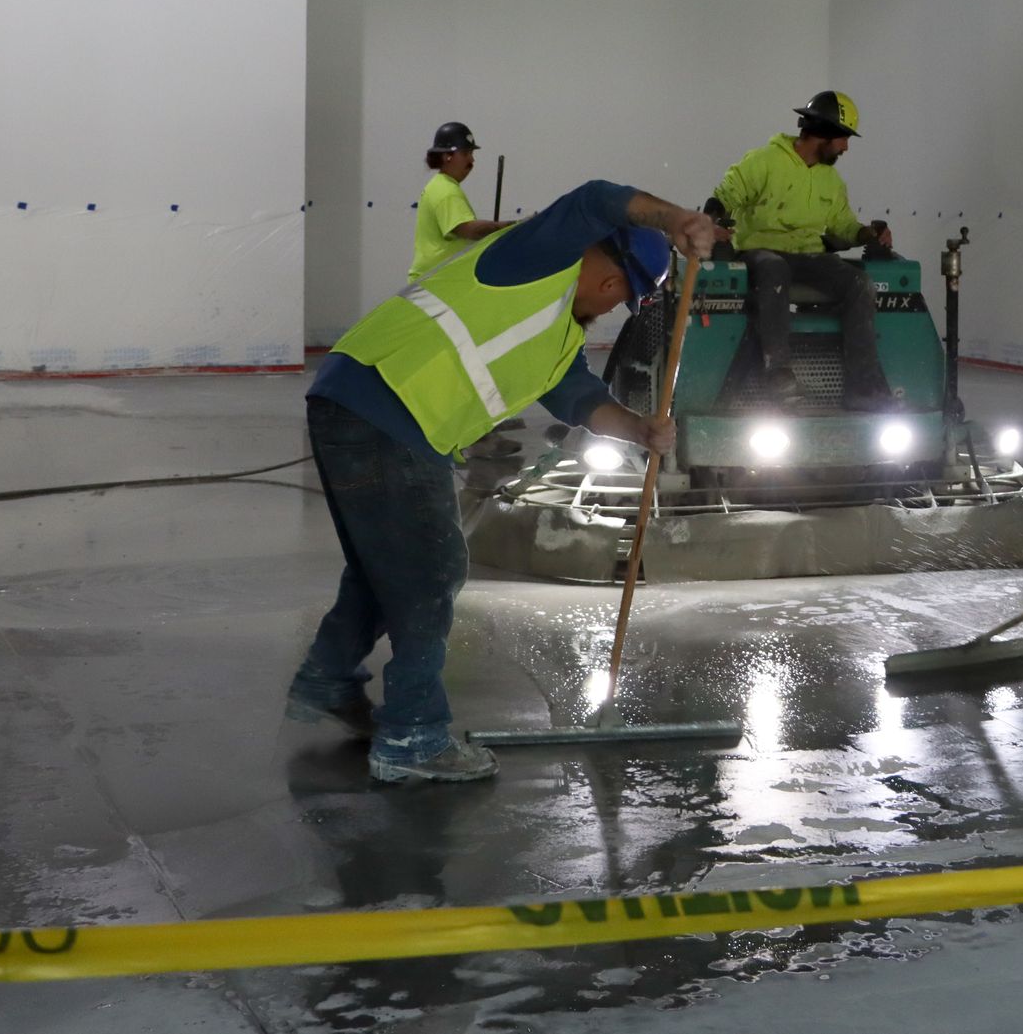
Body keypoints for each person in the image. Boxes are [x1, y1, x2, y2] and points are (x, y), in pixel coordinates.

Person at [286, 180, 726, 784]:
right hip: (386, 400)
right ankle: (413, 736)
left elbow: (576, 395)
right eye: (620, 288)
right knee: (433, 568)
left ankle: (328, 679)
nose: (607, 302)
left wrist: (638, 430)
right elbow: (595, 197)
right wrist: (673, 216)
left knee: (386, 564)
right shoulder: (533, 260)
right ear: (608, 270)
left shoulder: (561, 328)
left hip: (370, 407)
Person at [713, 91, 897, 411]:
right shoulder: (765, 161)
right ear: (824, 133)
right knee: (774, 268)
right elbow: (725, 194)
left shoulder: (831, 180)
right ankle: (778, 374)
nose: (846, 147)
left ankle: (864, 389)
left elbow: (843, 225)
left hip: (808, 255)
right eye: (843, 138)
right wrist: (712, 223)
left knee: (858, 284)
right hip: (760, 252)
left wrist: (870, 234)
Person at [410, 121, 515, 282]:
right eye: (466, 153)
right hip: (434, 285)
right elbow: (470, 230)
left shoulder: (441, 185)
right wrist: (510, 227)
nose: (472, 160)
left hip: (435, 283)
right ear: (447, 156)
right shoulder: (446, 191)